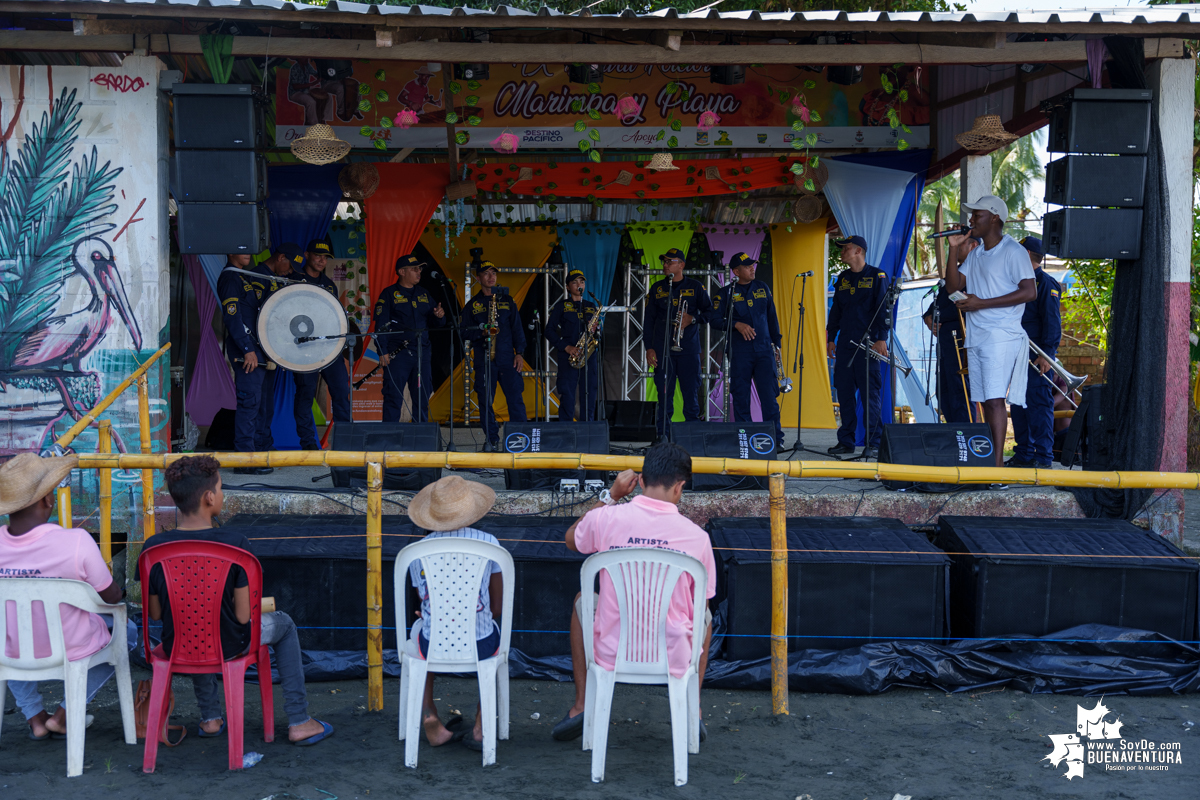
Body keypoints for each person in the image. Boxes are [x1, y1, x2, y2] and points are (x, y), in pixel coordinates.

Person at [141, 455, 333, 745]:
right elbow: (244, 617)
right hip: (231, 644)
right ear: (208, 497)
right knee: (285, 624)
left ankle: (210, 719)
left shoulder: (153, 548)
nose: (221, 494)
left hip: (178, 644)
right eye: (220, 488)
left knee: (193, 620)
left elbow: (155, 613)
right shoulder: (235, 544)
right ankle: (299, 720)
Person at [550, 442, 717, 743]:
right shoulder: (698, 538)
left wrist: (611, 496)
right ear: (680, 487)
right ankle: (694, 708)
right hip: (673, 651)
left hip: (612, 648)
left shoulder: (607, 519)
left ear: (640, 481)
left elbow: (572, 540)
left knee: (581, 600)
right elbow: (699, 604)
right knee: (705, 614)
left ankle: (582, 704)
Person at [0, 452, 136, 740]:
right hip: (71, 650)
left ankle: (35, 717)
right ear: (48, 500)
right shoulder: (75, 541)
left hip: (10, 651)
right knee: (129, 631)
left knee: (9, 633)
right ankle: (62, 716)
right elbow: (111, 597)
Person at [404, 475, 504, 752]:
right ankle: (482, 725)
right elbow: (496, 608)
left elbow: (423, 600)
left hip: (432, 644)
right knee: (496, 637)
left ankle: (429, 716)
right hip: (481, 643)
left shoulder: (415, 552)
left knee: (419, 629)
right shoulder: (490, 543)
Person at [945, 196, 1037, 469]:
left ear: (995, 217)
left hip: (1001, 335)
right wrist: (953, 249)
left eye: (977, 214)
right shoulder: (976, 253)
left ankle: (996, 470)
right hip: (978, 335)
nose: (971, 219)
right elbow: (952, 287)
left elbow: (1029, 292)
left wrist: (980, 303)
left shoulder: (1012, 251)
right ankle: (989, 464)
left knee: (995, 400)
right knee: (985, 401)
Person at [825, 235, 890, 459]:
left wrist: (882, 338)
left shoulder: (877, 275)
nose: (842, 251)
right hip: (845, 345)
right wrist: (830, 337)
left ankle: (874, 442)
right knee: (844, 394)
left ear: (859, 251)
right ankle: (846, 441)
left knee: (869, 395)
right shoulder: (842, 278)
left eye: (846, 248)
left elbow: (884, 309)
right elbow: (836, 311)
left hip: (869, 345)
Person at [711, 252, 784, 444]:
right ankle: (746, 438)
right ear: (736, 271)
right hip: (739, 352)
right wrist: (736, 324)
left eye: (753, 265)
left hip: (764, 351)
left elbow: (772, 318)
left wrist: (777, 345)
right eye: (747, 266)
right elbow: (714, 320)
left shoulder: (762, 287)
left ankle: (775, 439)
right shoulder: (725, 292)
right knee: (741, 397)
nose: (752, 268)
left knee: (769, 397)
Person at [643, 248, 714, 441]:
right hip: (662, 350)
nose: (665, 265)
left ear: (681, 265)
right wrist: (648, 347)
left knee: (690, 394)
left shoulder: (696, 286)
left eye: (669, 262)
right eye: (664, 262)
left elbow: (710, 313)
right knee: (664, 395)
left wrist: (693, 319)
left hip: (688, 350)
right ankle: (662, 436)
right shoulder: (657, 288)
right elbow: (648, 320)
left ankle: (692, 437)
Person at [292, 238, 354, 451]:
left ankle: (345, 441)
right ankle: (308, 443)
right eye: (317, 255)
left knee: (340, 390)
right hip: (303, 348)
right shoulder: (294, 279)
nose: (321, 260)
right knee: (305, 394)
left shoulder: (329, 284)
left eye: (325, 257)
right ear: (307, 255)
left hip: (329, 346)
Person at [218, 253, 274, 474]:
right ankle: (244, 462)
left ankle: (255, 455)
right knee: (248, 405)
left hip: (257, 350)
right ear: (231, 253)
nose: (248, 255)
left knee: (260, 406)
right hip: (246, 352)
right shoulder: (230, 278)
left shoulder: (243, 276)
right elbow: (233, 318)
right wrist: (247, 349)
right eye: (243, 251)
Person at [461, 260, 527, 451]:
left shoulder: (507, 300)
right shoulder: (473, 305)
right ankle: (492, 439)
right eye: (486, 274)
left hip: (508, 358)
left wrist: (520, 353)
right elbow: (464, 331)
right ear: (478, 277)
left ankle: (520, 439)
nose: (491, 277)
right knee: (485, 400)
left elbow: (517, 329)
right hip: (484, 359)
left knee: (515, 399)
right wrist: (481, 333)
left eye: (494, 273)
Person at [1008, 236, 1062, 469]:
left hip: (1037, 354)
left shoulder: (1045, 283)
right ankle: (1024, 453)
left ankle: (1043, 456)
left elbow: (1052, 323)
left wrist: (1046, 354)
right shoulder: (1017, 282)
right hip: (1018, 352)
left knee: (1039, 404)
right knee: (1018, 404)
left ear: (1027, 254)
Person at [373, 254, 446, 423]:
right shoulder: (389, 294)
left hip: (422, 353)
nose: (419, 272)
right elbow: (380, 326)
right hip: (398, 354)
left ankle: (420, 438)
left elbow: (438, 323)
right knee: (393, 397)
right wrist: (382, 351)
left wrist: (439, 316)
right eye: (414, 269)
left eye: (420, 268)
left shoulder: (424, 294)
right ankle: (390, 440)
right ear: (402, 272)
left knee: (422, 397)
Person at [248, 243, 306, 454]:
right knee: (256, 403)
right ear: (281, 257)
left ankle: (265, 445)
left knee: (267, 403)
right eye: (289, 267)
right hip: (255, 349)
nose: (290, 272)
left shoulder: (280, 280)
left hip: (272, 350)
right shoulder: (255, 276)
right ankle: (254, 449)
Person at [921, 237, 981, 424]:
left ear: (973, 245)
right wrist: (928, 316)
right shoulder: (955, 273)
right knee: (943, 390)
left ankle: (966, 435)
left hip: (963, 338)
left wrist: (941, 315)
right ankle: (953, 434)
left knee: (961, 389)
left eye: (961, 244)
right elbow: (941, 300)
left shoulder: (979, 270)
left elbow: (962, 301)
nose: (956, 249)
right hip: (945, 340)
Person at [546, 269, 601, 422]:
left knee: (589, 393)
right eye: (574, 282)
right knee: (568, 394)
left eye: (581, 282)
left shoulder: (591, 306)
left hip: (588, 355)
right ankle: (566, 429)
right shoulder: (561, 306)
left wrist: (597, 329)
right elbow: (549, 331)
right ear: (568, 287)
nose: (579, 285)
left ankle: (587, 428)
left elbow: (597, 332)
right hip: (569, 354)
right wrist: (566, 347)